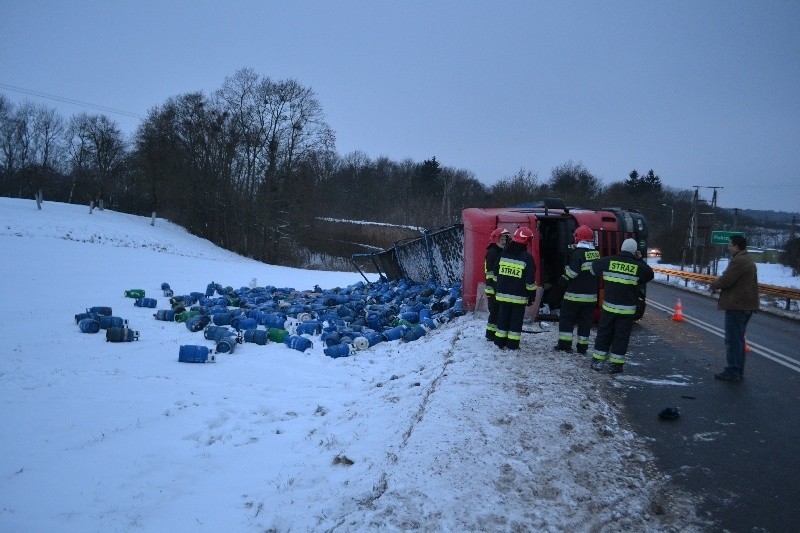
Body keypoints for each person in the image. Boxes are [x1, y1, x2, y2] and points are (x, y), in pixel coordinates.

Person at [589, 238, 654, 373]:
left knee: (604, 334)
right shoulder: (637, 266)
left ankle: (598, 362)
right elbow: (649, 274)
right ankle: (615, 365)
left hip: (608, 308)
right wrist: (639, 259)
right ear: (634, 251)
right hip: (627, 311)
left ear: (622, 248)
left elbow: (593, 268)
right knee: (621, 337)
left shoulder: (608, 261)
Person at [709, 234, 759, 381]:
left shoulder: (740, 260)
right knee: (739, 339)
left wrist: (714, 285)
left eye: (730, 245)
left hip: (737, 305)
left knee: (733, 340)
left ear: (737, 246)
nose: (728, 247)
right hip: (745, 305)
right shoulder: (746, 259)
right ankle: (737, 370)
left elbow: (727, 279)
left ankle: (733, 371)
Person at [555, 225, 600, 354]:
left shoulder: (577, 254)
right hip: (590, 297)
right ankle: (582, 347)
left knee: (566, 319)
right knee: (585, 322)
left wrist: (563, 279)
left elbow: (572, 272)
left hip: (574, 296)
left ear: (578, 238)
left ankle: (564, 345)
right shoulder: (595, 254)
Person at [494, 226, 537, 350]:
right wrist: (532, 295)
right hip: (518, 297)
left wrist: (499, 287)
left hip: (502, 295)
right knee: (515, 321)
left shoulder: (504, 253)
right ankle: (512, 344)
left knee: (502, 318)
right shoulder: (527, 258)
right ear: (527, 241)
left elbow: (496, 272)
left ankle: (500, 341)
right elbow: (530, 281)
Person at [484, 227, 510, 340]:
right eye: (502, 239)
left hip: (499, 287)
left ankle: (495, 334)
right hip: (493, 288)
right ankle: (490, 335)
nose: (504, 241)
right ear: (496, 239)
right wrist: (494, 287)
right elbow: (489, 273)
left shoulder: (502, 251)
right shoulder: (492, 252)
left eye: (505, 239)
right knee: (494, 313)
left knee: (499, 312)